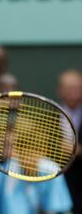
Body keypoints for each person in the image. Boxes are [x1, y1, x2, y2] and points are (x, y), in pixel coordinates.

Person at [57, 69, 82, 214]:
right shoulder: (50, 116)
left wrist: (78, 150)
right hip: (59, 182)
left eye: (78, 87)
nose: (75, 91)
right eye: (70, 87)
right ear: (60, 90)